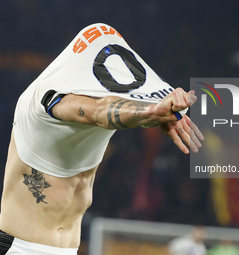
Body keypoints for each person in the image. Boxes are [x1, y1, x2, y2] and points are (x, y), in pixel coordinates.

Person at [0, 23, 204, 255]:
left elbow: (120, 107)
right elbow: (99, 112)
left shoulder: (106, 94)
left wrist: (158, 114)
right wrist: (152, 112)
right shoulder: (49, 96)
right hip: (20, 247)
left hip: (68, 249)